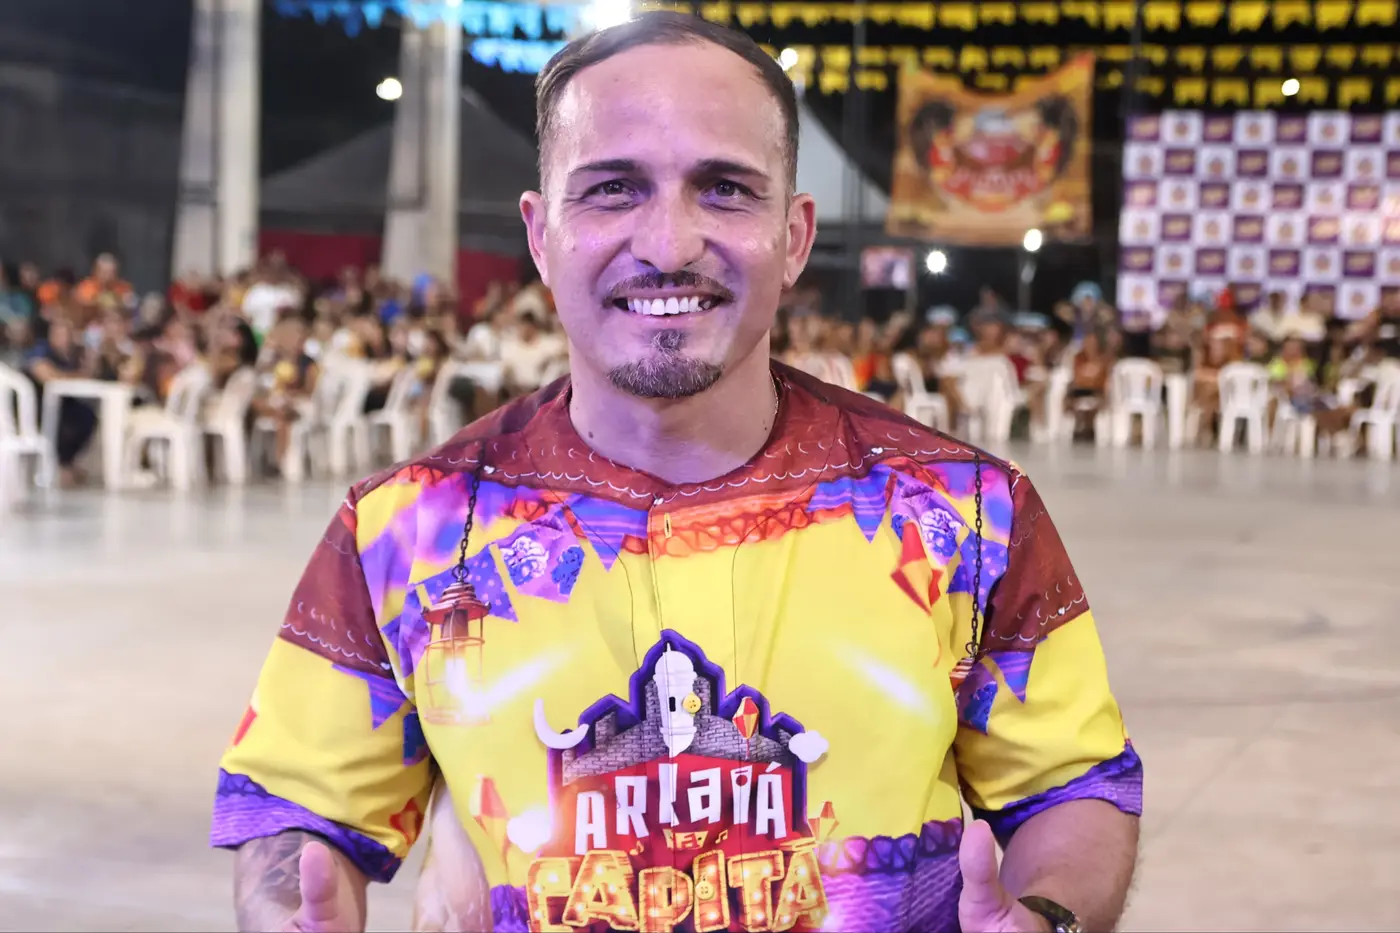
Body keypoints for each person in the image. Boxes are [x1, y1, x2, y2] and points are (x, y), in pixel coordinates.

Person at [214, 13, 1141, 933]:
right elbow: (299, 805)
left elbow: (1074, 782)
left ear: (794, 236)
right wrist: (293, 910)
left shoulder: (964, 511)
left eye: (725, 189)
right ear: (541, 234)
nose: (667, 245)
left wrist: (1048, 916)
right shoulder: (410, 528)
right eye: (612, 190)